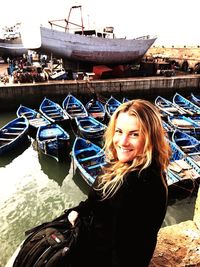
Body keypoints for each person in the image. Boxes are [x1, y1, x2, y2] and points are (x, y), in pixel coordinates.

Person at [68, 99, 171, 267]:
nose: (123, 142)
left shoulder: (133, 183)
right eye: (119, 131)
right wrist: (78, 210)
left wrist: (78, 222)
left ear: (150, 138)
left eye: (134, 134)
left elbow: (120, 248)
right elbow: (98, 203)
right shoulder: (148, 169)